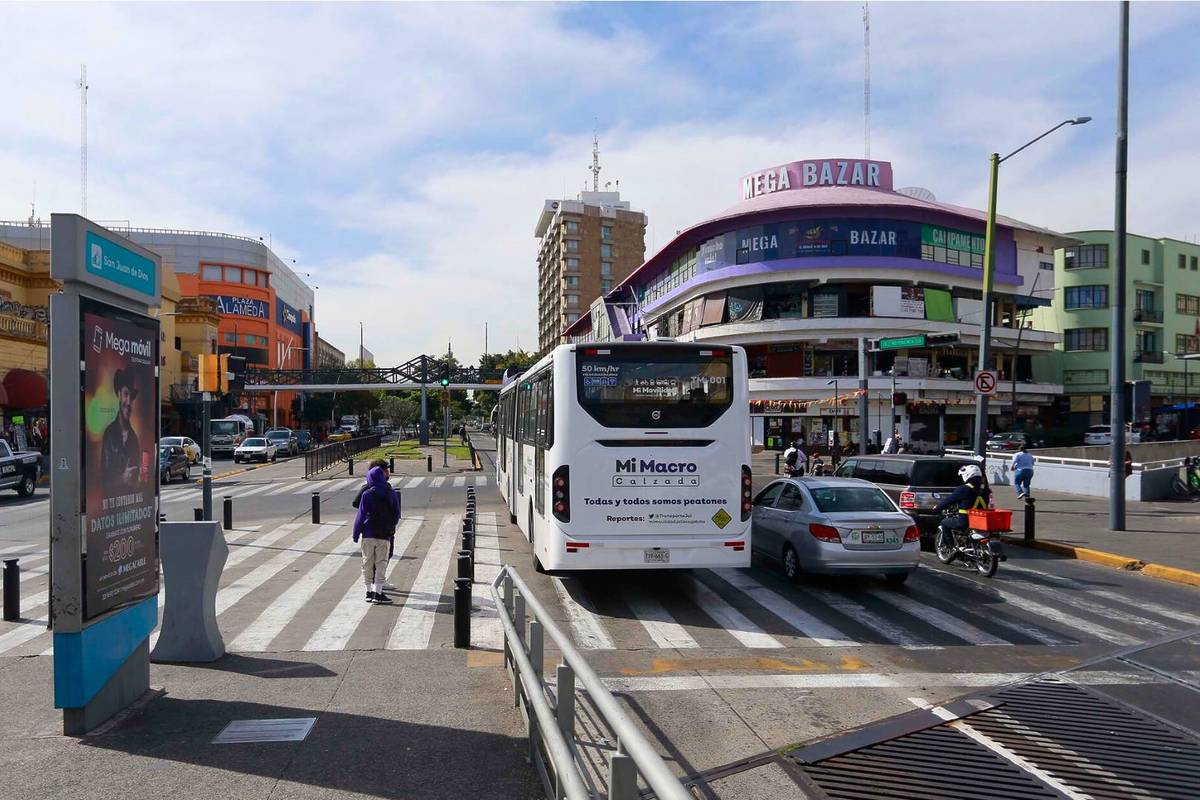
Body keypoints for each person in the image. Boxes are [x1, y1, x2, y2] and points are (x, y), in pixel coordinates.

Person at [352, 465, 402, 605]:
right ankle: (378, 593)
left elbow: (360, 516)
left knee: (367, 563)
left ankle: (368, 591)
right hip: (384, 535)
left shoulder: (366, 494)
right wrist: (390, 527)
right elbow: (397, 514)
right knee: (381, 564)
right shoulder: (390, 493)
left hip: (368, 534)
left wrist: (356, 533)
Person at [101, 368, 143, 491]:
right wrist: (122, 479)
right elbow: (104, 478)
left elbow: (136, 479)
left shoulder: (134, 438)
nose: (128, 401)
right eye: (125, 394)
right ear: (119, 394)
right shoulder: (109, 434)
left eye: (131, 396)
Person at [934, 464, 992, 550]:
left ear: (967, 475)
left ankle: (951, 547)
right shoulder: (985, 490)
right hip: (980, 521)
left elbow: (949, 500)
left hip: (965, 521)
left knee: (944, 523)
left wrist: (938, 507)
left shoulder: (963, 489)